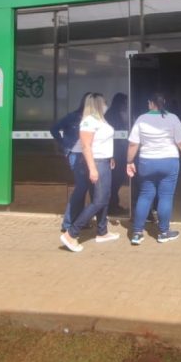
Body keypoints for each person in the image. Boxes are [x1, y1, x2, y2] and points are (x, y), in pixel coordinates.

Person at [126, 92, 181, 245]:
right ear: (163, 103)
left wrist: (129, 161)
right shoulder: (173, 118)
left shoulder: (141, 119)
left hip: (147, 162)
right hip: (169, 162)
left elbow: (133, 144)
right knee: (165, 196)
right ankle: (164, 232)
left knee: (145, 195)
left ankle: (137, 233)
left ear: (150, 103)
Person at [60, 93, 120, 252]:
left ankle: (102, 232)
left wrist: (110, 156)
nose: (106, 105)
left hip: (104, 161)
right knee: (99, 201)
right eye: (104, 102)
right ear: (98, 104)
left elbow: (103, 141)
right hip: (97, 163)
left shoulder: (101, 119)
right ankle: (71, 234)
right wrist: (93, 169)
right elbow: (86, 147)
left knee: (103, 198)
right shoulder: (89, 121)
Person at [50, 98, 93, 232]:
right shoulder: (73, 117)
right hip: (76, 155)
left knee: (84, 188)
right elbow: (54, 129)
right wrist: (64, 144)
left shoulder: (94, 119)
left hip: (89, 156)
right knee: (81, 188)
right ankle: (68, 223)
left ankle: (79, 221)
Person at [104, 93, 129, 216]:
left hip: (119, 151)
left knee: (117, 181)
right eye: (124, 103)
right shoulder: (112, 115)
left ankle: (114, 204)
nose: (126, 105)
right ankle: (111, 206)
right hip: (115, 153)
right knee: (115, 180)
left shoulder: (117, 114)